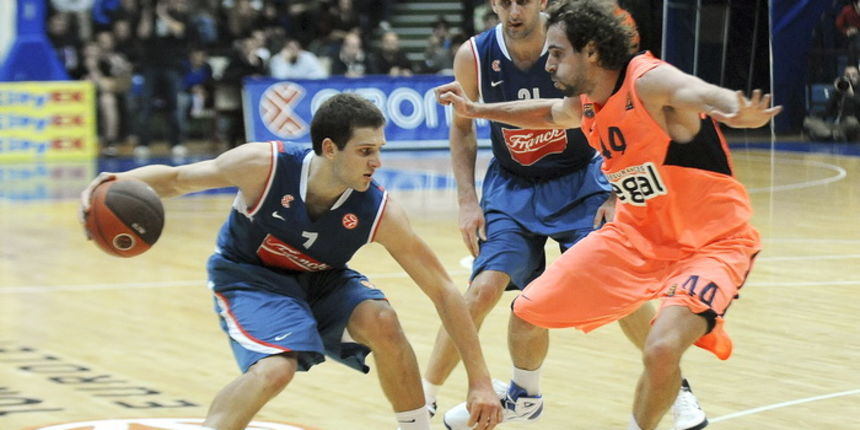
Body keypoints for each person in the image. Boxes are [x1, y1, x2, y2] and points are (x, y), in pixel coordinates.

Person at [433, 1, 782, 429]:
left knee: (659, 348)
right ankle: (524, 398)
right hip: (637, 238)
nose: (549, 63)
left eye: (558, 53)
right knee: (526, 311)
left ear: (592, 53)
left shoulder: (647, 80)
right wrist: (478, 109)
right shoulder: (587, 101)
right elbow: (548, 113)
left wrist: (733, 107)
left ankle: (671, 405)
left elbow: (693, 91)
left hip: (710, 243)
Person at [79, 94, 503, 430]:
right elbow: (176, 180)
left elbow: (445, 291)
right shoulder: (262, 166)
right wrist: (114, 184)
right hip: (251, 277)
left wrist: (480, 380)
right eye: (366, 151)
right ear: (329, 148)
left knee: (383, 321)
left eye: (380, 150)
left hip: (323, 280)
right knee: (276, 369)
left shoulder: (379, 210)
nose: (377, 162)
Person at [803, 65, 860, 141]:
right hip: (836, 125)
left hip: (850, 126)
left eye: (854, 75)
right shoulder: (839, 91)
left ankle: (825, 136)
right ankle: (833, 135)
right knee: (808, 121)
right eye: (847, 75)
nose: (851, 78)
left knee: (852, 122)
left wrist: (851, 94)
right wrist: (835, 92)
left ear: (859, 77)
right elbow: (828, 111)